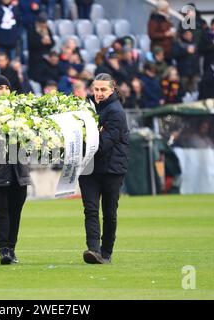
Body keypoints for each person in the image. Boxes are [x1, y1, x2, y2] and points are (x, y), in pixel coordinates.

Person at [78, 73, 129, 264]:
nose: (98, 93)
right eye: (96, 89)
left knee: (109, 212)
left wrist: (79, 145)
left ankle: (106, 253)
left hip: (111, 169)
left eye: (103, 90)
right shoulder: (85, 108)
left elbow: (103, 146)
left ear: (112, 89)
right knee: (90, 210)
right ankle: (93, 250)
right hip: (89, 168)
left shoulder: (116, 112)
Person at [0, 75, 31, 265]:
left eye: (6, 88)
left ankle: (11, 248)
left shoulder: (21, 111)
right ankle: (3, 249)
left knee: (15, 211)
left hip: (19, 170)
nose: (4, 92)